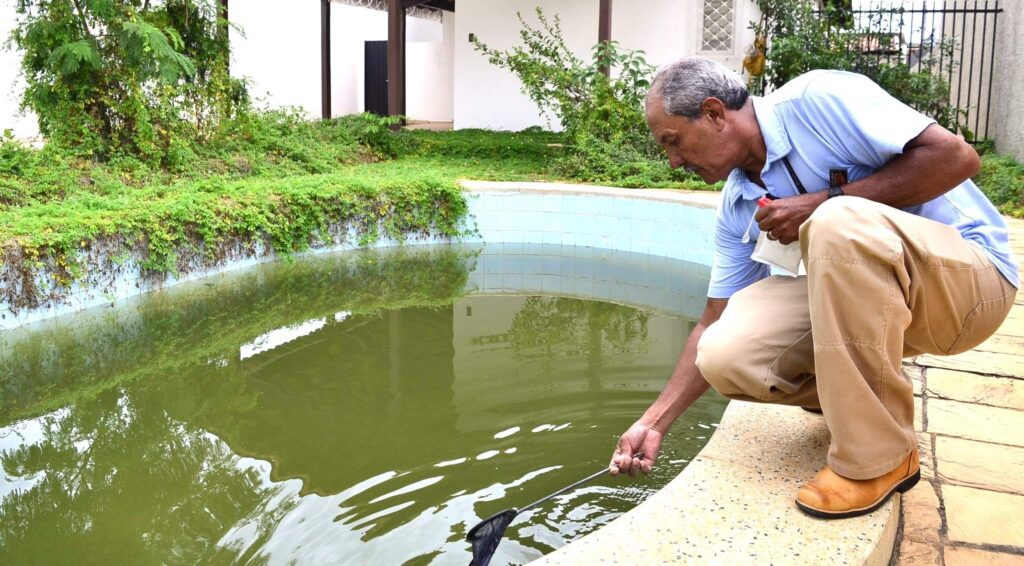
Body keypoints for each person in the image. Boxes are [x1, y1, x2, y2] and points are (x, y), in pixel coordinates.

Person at [608, 56, 1019, 519]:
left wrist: (822, 203)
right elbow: (714, 318)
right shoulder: (739, 204)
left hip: (971, 284)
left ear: (714, 113)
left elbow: (958, 158)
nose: (674, 160)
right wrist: (654, 421)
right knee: (727, 354)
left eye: (674, 141)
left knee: (836, 221)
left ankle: (876, 461)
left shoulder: (819, 100)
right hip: (891, 311)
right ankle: (867, 407)